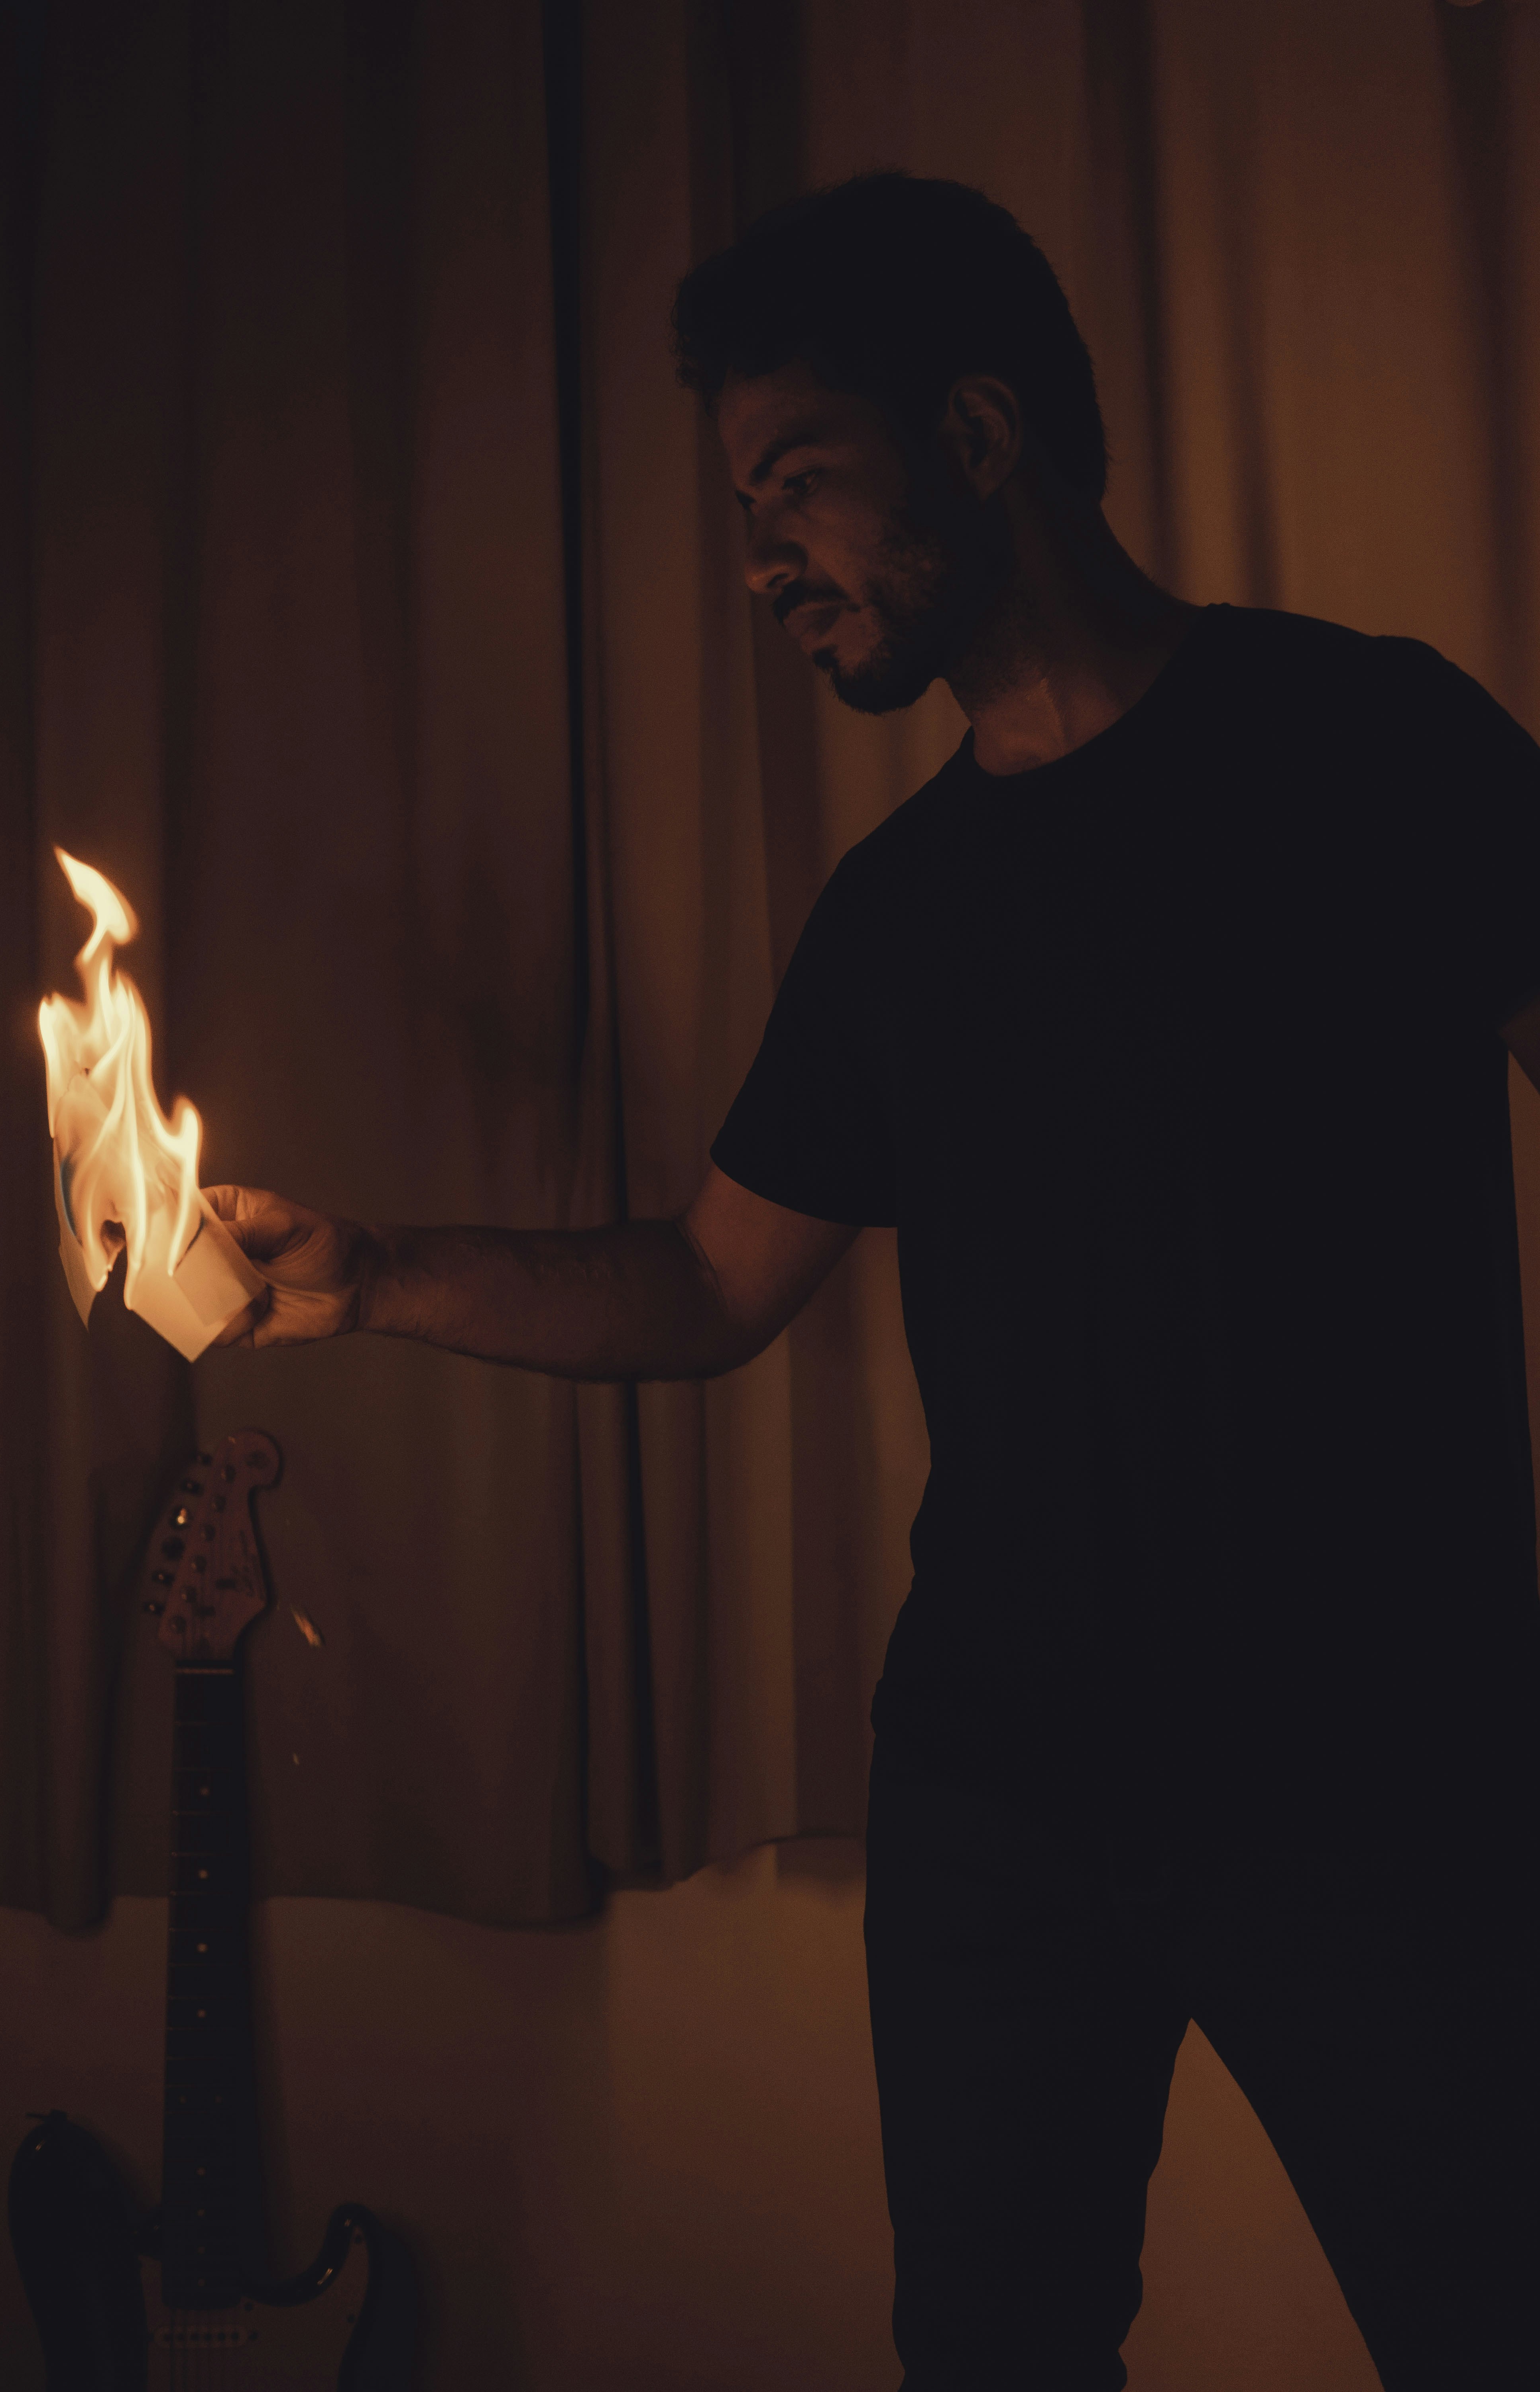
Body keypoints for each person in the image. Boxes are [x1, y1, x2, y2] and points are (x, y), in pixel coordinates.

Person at [209, 173, 1540, 2390]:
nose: (758, 560)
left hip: (1381, 1766)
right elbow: (715, 1283)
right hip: (1006, 1796)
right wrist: (375, 1277)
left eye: (800, 483)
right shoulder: (898, 913)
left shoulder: (1369, 743)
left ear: (982, 434)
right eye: (744, 502)